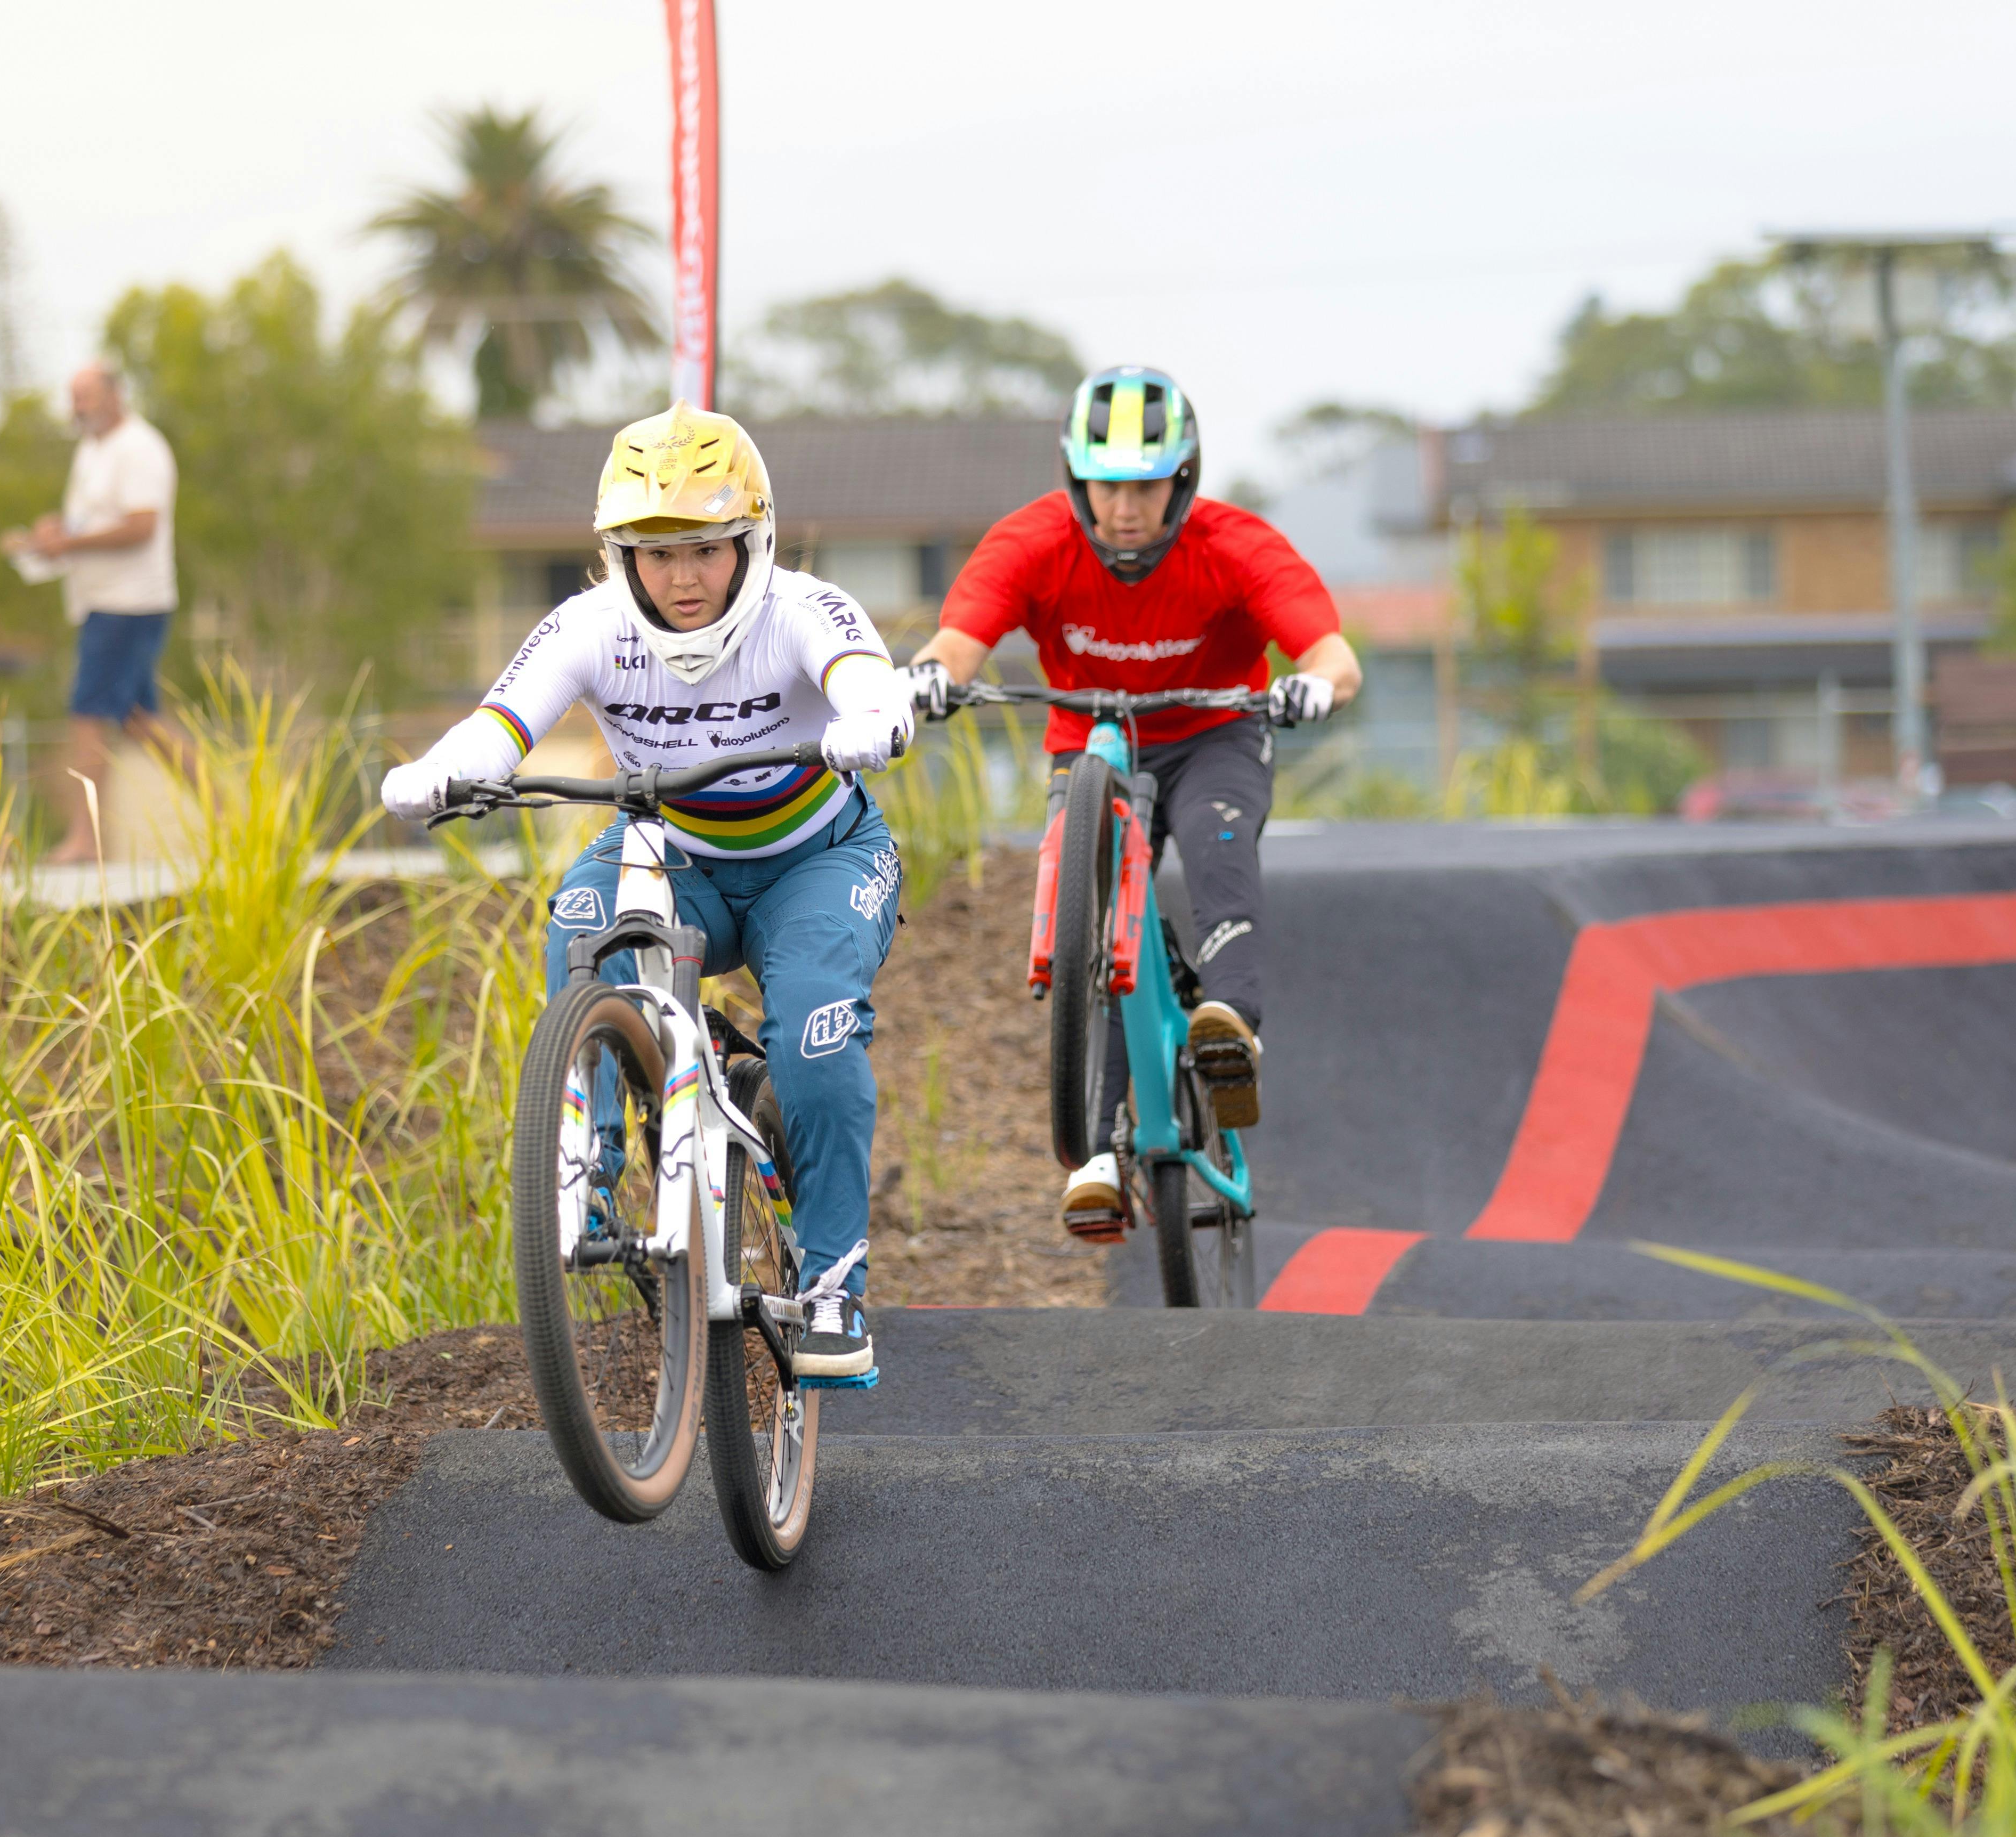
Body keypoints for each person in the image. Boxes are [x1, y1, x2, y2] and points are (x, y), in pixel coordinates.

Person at [382, 404, 912, 1381]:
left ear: (754, 541)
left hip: (820, 858)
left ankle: (835, 1285)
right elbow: (502, 722)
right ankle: (588, 1168)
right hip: (674, 850)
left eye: (707, 550)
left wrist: (872, 718)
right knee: (580, 919)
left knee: (818, 1028)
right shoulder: (589, 626)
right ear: (616, 557)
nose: (682, 579)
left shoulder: (803, 608)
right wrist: (441, 771)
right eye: (654, 553)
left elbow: (870, 681)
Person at [905, 364, 1361, 1238]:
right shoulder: (1031, 542)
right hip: (1091, 746)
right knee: (1104, 925)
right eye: (1107, 485)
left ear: (1181, 480)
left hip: (1213, 735)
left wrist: (1315, 687)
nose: (1124, 508)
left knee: (1215, 839)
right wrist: (929, 679)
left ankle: (1231, 1027)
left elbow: (1333, 656)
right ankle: (1102, 1149)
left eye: (1146, 487)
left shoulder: (1236, 546)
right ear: (1077, 479)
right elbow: (959, 642)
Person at [3, 363, 189, 864]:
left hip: (129, 604)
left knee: (88, 714)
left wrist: (71, 541)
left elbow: (142, 525)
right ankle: (233, 814)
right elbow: (88, 520)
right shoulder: (91, 451)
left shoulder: (140, 448)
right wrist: (51, 532)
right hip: (99, 603)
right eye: (73, 397)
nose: (77, 407)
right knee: (138, 721)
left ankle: (86, 840)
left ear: (114, 394)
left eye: (85, 396)